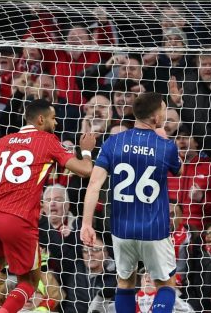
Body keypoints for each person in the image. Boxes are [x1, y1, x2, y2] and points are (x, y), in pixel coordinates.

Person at [0, 99, 97, 313]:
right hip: (18, 219)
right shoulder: (48, 140)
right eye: (53, 118)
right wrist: (86, 151)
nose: (56, 123)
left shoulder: (4, 141)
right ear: (41, 119)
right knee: (29, 281)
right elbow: (86, 171)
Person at [81, 92, 183, 313]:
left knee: (125, 283)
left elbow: (94, 185)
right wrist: (164, 139)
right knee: (166, 285)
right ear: (156, 118)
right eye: (164, 110)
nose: (165, 113)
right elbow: (180, 169)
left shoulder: (113, 142)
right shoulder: (166, 147)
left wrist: (86, 223)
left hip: (122, 229)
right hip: (154, 229)